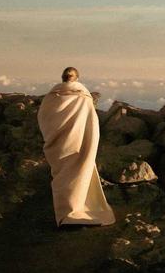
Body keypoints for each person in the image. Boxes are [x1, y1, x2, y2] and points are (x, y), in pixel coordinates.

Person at [37, 66, 115, 227]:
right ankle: (74, 212)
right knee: (76, 176)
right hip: (78, 145)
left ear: (62, 78)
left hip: (57, 145)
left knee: (61, 176)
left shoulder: (50, 98)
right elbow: (91, 123)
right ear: (77, 79)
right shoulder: (84, 97)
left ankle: (64, 214)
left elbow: (43, 118)